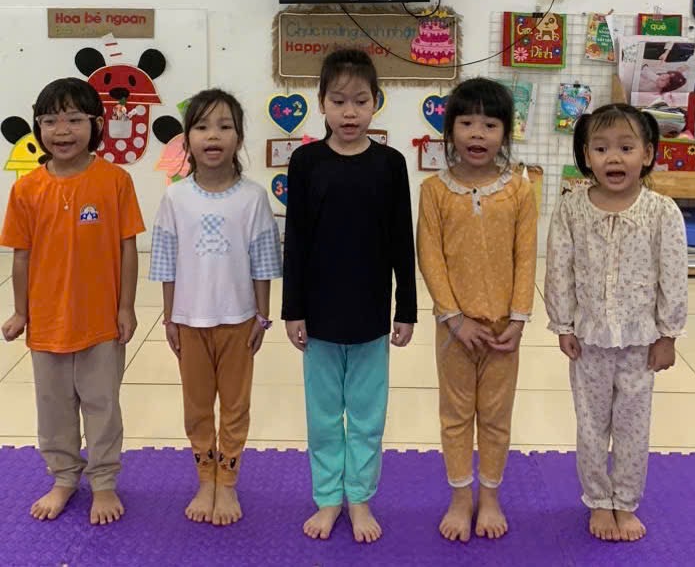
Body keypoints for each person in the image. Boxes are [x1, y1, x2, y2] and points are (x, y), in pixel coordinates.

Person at [282, 49, 417, 543]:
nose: (350, 112)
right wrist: (292, 309)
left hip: (370, 313)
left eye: (361, 100)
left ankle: (358, 497)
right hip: (319, 314)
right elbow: (296, 239)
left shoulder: (390, 164)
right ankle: (326, 498)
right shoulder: (306, 162)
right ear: (321, 102)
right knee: (322, 416)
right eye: (338, 101)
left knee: (366, 415)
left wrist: (406, 309)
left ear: (376, 102)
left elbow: (401, 240)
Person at [0, 78, 144, 525]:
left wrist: (126, 307)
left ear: (96, 124)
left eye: (74, 119)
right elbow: (20, 256)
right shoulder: (26, 189)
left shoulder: (115, 181)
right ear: (38, 127)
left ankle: (103, 481)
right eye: (50, 121)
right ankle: (63, 477)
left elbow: (127, 247)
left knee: (102, 406)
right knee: (54, 408)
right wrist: (21, 311)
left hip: (101, 322)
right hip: (47, 324)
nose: (62, 131)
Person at [545, 103, 688, 542]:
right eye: (602, 148)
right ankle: (597, 500)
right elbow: (559, 269)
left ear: (647, 154)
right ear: (586, 155)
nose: (614, 158)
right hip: (588, 340)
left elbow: (673, 276)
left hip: (640, 342)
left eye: (626, 148)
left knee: (631, 427)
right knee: (590, 425)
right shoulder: (571, 209)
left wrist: (668, 335)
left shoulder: (662, 212)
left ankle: (625, 502)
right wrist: (563, 325)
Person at [149, 88, 282, 526]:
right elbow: (166, 261)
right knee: (197, 405)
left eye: (225, 127)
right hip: (189, 321)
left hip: (238, 321)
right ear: (187, 138)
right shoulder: (175, 198)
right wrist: (169, 318)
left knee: (236, 406)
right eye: (202, 126)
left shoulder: (253, 197)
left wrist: (262, 315)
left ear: (238, 138)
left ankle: (227, 481)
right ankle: (204, 477)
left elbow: (263, 262)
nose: (213, 135)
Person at [417, 77, 538, 543]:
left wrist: (520, 319)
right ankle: (460, 495)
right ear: (450, 130)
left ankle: (489, 495)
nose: (477, 134)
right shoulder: (434, 191)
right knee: (455, 414)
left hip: (504, 329)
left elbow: (526, 256)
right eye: (467, 123)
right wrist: (453, 317)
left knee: (495, 416)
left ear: (505, 133)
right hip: (455, 330)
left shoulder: (519, 191)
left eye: (490, 125)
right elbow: (430, 256)